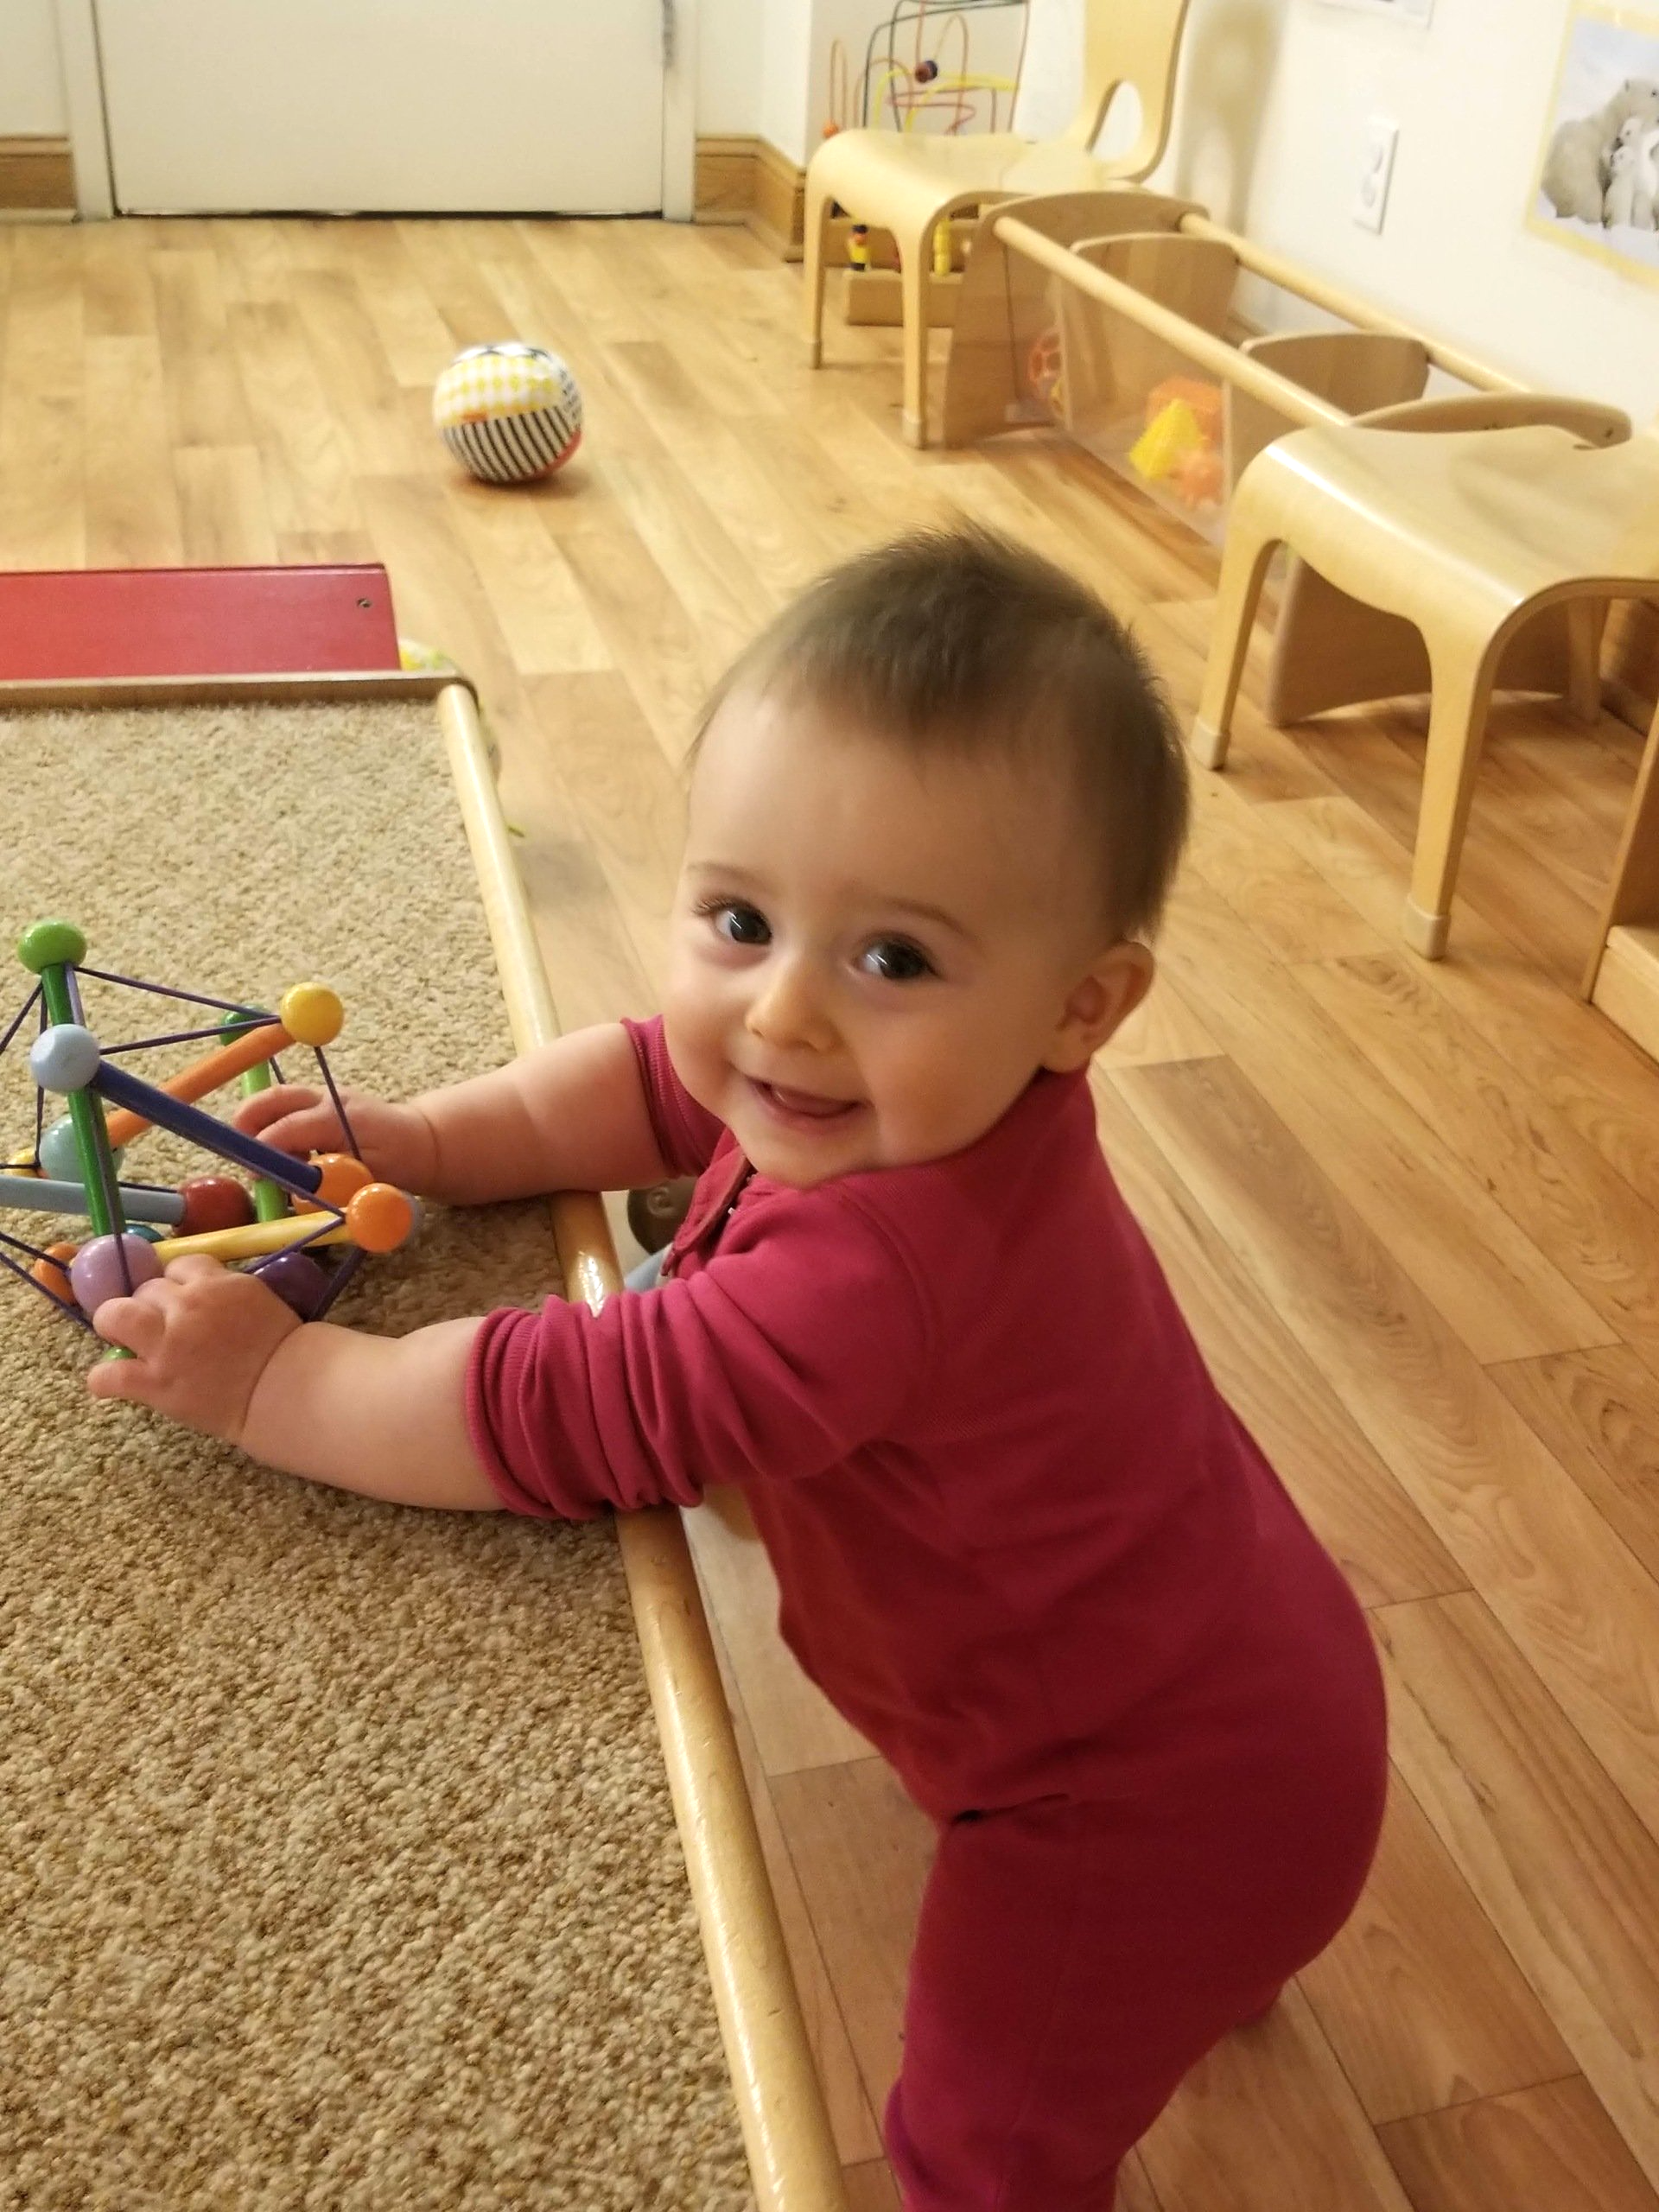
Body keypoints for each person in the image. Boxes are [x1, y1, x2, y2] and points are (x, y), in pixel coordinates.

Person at [89, 529, 1388, 2210]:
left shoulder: (878, 1273)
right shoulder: (920, 1094)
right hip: (1258, 1672)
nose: (781, 1013)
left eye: (894, 955)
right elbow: (646, 1083)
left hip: (1134, 1802)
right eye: (739, 916)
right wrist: (426, 1137)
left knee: (980, 2147)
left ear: (1087, 1004)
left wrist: (278, 1388)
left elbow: (566, 1409)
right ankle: (1214, 1967)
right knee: (1159, 1970)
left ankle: (1188, 1974)